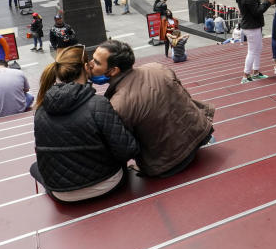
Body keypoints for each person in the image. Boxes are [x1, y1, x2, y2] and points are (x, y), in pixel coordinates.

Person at [30, 45, 139, 202]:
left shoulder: (40, 109)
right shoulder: (98, 104)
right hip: (106, 185)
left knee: (34, 167)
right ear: (85, 67)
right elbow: (127, 150)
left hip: (62, 195)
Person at [91, 40, 215, 177]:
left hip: (168, 163)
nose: (89, 64)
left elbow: (122, 147)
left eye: (96, 62)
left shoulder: (118, 104)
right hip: (200, 135)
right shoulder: (157, 67)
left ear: (113, 70)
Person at [236, 0, 273, 83]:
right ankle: (246, 75)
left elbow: (251, 6)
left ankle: (256, 72)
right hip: (252, 26)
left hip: (250, 26)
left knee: (258, 48)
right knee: (252, 51)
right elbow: (257, 11)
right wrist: (267, 1)